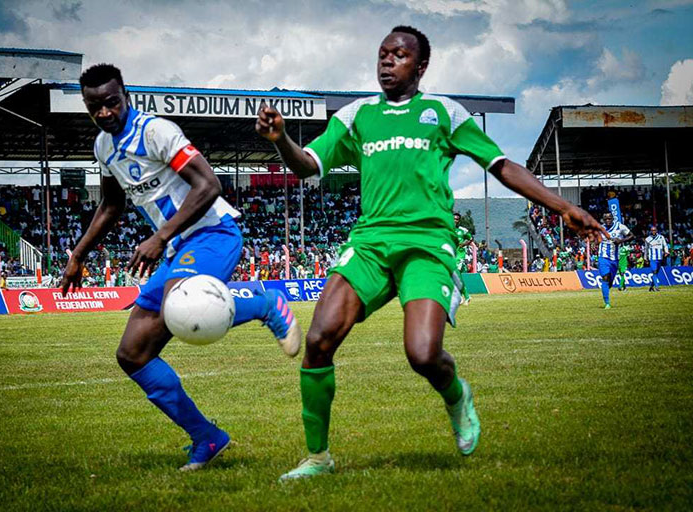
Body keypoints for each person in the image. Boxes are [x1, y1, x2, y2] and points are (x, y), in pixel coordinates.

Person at [256, 26, 606, 480]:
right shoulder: (357, 115)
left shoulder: (443, 111)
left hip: (427, 243)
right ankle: (318, 458)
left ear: (420, 67)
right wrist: (281, 139)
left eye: (398, 56)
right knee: (320, 338)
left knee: (423, 354)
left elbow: (501, 166)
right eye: (382, 54)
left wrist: (563, 206)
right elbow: (308, 165)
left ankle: (456, 394)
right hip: (370, 243)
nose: (386, 62)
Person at [63, 64, 301, 472]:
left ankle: (264, 302)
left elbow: (208, 185)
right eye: (94, 107)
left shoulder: (156, 131)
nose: (104, 113)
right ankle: (206, 437)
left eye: (111, 102)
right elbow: (111, 204)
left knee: (179, 305)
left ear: (126, 97)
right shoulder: (104, 147)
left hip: (213, 233)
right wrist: (78, 255)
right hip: (176, 247)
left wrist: (159, 237)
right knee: (132, 354)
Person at [597, 212, 634, 309]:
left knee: (609, 281)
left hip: (615, 259)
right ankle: (607, 303)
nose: (607, 221)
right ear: (603, 220)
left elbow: (631, 235)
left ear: (613, 219)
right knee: (605, 277)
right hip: (603, 257)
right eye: (605, 219)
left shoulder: (620, 226)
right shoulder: (600, 228)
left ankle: (607, 287)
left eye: (609, 218)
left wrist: (621, 241)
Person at [453, 213, 472, 304]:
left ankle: (462, 297)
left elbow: (470, 238)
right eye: (453, 219)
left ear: (459, 221)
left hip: (460, 256)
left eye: (456, 219)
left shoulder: (463, 230)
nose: (454, 220)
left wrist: (465, 244)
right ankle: (465, 296)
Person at [644, 225, 669, 292]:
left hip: (660, 257)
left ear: (656, 230)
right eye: (652, 230)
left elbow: (665, 245)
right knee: (654, 271)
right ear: (650, 231)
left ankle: (651, 286)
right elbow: (646, 249)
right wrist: (645, 258)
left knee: (656, 273)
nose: (653, 231)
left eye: (654, 230)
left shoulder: (661, 237)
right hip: (652, 258)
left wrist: (666, 251)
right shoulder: (647, 239)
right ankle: (657, 287)